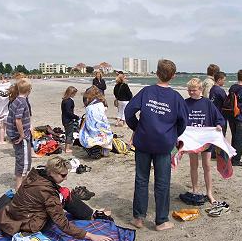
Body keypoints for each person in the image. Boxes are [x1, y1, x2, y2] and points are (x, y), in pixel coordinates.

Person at [124, 59, 188, 231]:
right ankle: (159, 220)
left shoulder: (160, 94)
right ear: (173, 76)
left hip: (149, 142)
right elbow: (129, 112)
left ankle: (140, 218)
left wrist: (139, 128)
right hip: (159, 143)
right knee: (161, 182)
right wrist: (137, 127)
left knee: (142, 179)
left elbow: (182, 121)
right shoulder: (169, 96)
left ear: (157, 72)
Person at [0, 157, 113, 241]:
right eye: (63, 175)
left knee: (64, 192)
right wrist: (91, 236)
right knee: (65, 196)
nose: (66, 178)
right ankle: (92, 216)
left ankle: (90, 214)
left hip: (13, 215)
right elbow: (62, 223)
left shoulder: (36, 174)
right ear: (52, 172)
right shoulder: (48, 194)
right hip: (26, 224)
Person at [184, 78, 225, 203]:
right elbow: (179, 118)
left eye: (194, 90)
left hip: (206, 139)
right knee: (193, 165)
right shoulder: (185, 103)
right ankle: (195, 190)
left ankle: (209, 193)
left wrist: (219, 125)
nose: (191, 93)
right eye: (189, 90)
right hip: (192, 139)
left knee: (207, 165)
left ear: (200, 90)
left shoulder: (207, 103)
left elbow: (219, 118)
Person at [6, 78, 33, 190]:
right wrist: (22, 135)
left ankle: (23, 183)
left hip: (14, 135)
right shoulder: (22, 102)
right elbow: (18, 119)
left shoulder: (15, 100)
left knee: (21, 158)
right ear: (29, 90)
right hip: (21, 137)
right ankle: (19, 186)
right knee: (23, 161)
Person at [79, 86, 113, 159]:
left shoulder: (91, 105)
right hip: (102, 123)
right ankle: (103, 149)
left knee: (90, 135)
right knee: (103, 135)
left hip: (95, 124)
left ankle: (96, 149)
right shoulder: (100, 102)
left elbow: (89, 117)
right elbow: (104, 110)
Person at [61, 86, 80, 153]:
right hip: (68, 120)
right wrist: (76, 117)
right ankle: (67, 148)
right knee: (69, 134)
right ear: (71, 93)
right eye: (74, 93)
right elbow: (68, 112)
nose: (75, 95)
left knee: (67, 133)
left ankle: (67, 147)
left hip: (64, 119)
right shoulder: (69, 101)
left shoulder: (64, 100)